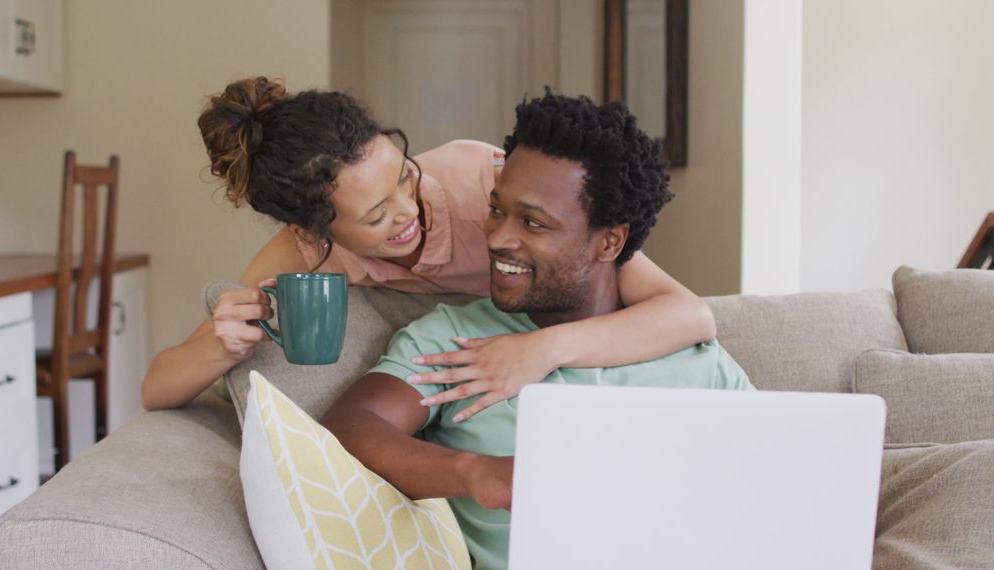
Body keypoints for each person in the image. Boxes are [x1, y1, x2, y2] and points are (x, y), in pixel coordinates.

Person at [320, 91, 756, 569]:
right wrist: (476, 474)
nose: (497, 237)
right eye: (496, 209)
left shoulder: (695, 358)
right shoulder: (454, 341)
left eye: (532, 222)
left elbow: (775, 480)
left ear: (609, 241)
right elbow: (350, 428)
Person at [140, 77, 717, 415]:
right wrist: (222, 345)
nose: (406, 211)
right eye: (375, 215)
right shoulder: (306, 257)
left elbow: (688, 312)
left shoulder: (481, 182)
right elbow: (155, 388)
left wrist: (543, 350)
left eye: (403, 175)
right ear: (312, 231)